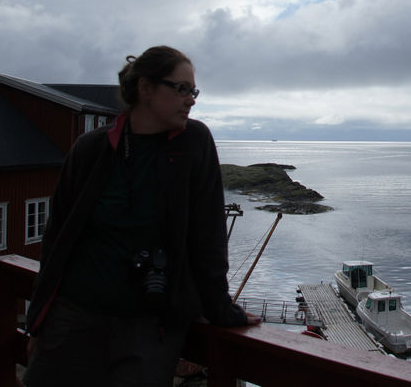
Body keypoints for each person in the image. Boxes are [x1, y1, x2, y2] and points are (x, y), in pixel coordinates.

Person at [24, 46, 259, 387]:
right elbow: (58, 239)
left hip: (150, 327)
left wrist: (221, 308)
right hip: (75, 317)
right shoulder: (92, 148)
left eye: (193, 91)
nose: (191, 100)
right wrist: (38, 321)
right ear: (146, 88)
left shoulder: (194, 142)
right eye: (181, 89)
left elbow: (207, 236)